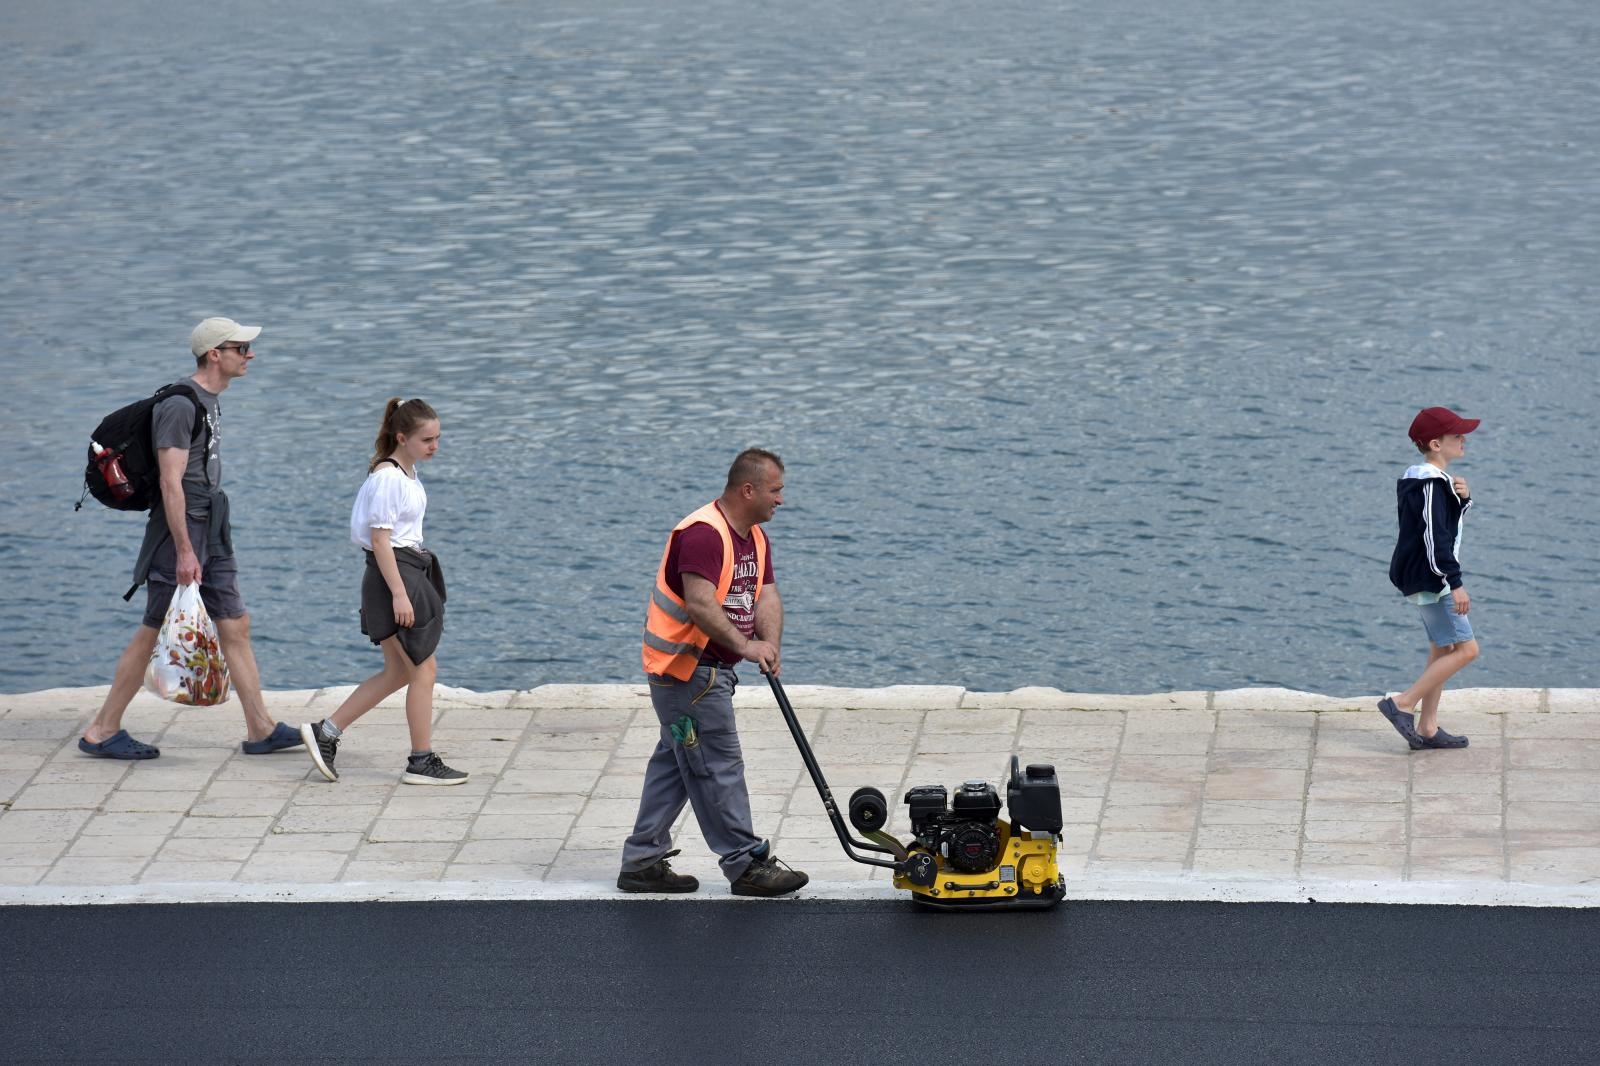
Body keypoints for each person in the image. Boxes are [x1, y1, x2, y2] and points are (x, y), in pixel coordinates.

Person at [79, 317, 303, 759]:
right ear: (215, 354)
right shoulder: (181, 406)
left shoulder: (209, 400)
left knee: (236, 622)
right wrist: (184, 550)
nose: (250, 354)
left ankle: (261, 728)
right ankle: (101, 731)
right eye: (241, 348)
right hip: (183, 527)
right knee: (153, 627)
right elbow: (170, 483)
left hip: (211, 522)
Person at [619, 449, 809, 897]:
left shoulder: (755, 537)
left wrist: (770, 644)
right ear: (749, 489)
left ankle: (642, 861)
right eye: (776, 490)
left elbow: (765, 595)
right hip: (687, 672)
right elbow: (701, 603)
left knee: (679, 764)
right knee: (717, 764)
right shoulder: (703, 534)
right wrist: (745, 645)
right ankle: (745, 863)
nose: (781, 499)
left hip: (707, 673)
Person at [299, 398, 467, 786]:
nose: (435, 446)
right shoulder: (389, 478)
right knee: (424, 669)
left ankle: (326, 732)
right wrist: (399, 594)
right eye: (427, 439)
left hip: (402, 570)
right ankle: (420, 760)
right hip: (396, 574)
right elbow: (380, 540)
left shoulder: (404, 472)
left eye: (438, 438)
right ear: (402, 437)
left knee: (399, 671)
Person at [1376, 406, 1482, 750]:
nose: (1463, 439)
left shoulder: (1423, 480)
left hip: (1423, 575)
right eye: (1456, 435)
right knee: (1467, 650)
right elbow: (1435, 540)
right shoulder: (1432, 485)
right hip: (1433, 579)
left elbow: (1433, 528)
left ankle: (1429, 727)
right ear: (1436, 444)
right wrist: (1456, 582)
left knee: (1443, 648)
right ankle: (1402, 704)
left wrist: (1461, 502)